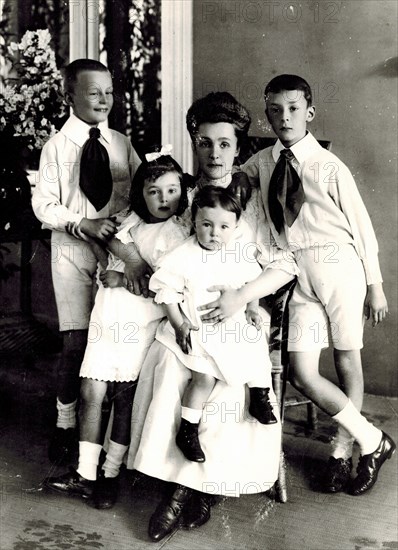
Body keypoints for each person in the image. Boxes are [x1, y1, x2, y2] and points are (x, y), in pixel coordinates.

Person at [126, 92, 298, 543]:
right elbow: (138, 233)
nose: (215, 153)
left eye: (224, 144)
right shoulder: (179, 192)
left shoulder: (251, 200)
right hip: (185, 316)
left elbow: (284, 264)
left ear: (238, 147)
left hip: (236, 320)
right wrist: (127, 261)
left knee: (229, 379)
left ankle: (187, 494)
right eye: (205, 143)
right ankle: (180, 482)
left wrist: (244, 296)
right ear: (194, 144)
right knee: (167, 365)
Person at [241, 74, 395, 495]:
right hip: (295, 272)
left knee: (347, 359)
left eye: (293, 109)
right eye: (275, 110)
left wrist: (375, 284)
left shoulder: (329, 166)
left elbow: (361, 227)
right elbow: (233, 183)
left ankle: (342, 452)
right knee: (304, 372)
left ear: (309, 112)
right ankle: (373, 440)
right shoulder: (263, 161)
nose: (284, 117)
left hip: (339, 266)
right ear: (267, 114)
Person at [44, 151, 190, 509]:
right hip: (106, 320)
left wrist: (123, 277)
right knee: (91, 393)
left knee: (123, 399)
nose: (164, 199)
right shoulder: (130, 220)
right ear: (141, 193)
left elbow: (164, 287)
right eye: (154, 191)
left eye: (172, 190)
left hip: (137, 325)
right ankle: (85, 473)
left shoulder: (177, 235)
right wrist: (118, 254)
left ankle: (109, 474)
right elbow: (110, 238)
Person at [32, 59, 141, 465]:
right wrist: (82, 223)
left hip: (116, 252)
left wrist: (119, 230)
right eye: (94, 92)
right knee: (77, 339)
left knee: (113, 337)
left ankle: (113, 429)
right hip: (72, 252)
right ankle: (65, 422)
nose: (104, 100)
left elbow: (139, 192)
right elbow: (43, 204)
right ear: (70, 96)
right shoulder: (57, 147)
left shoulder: (120, 143)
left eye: (109, 92)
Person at [151, 186, 277, 463]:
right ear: (194, 221)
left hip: (232, 322)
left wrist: (253, 308)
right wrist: (179, 323)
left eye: (223, 226)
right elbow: (167, 294)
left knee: (256, 347)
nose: (214, 233)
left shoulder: (237, 252)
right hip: (200, 325)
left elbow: (249, 283)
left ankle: (259, 396)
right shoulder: (183, 255)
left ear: (234, 228)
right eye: (206, 224)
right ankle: (188, 428)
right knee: (203, 376)